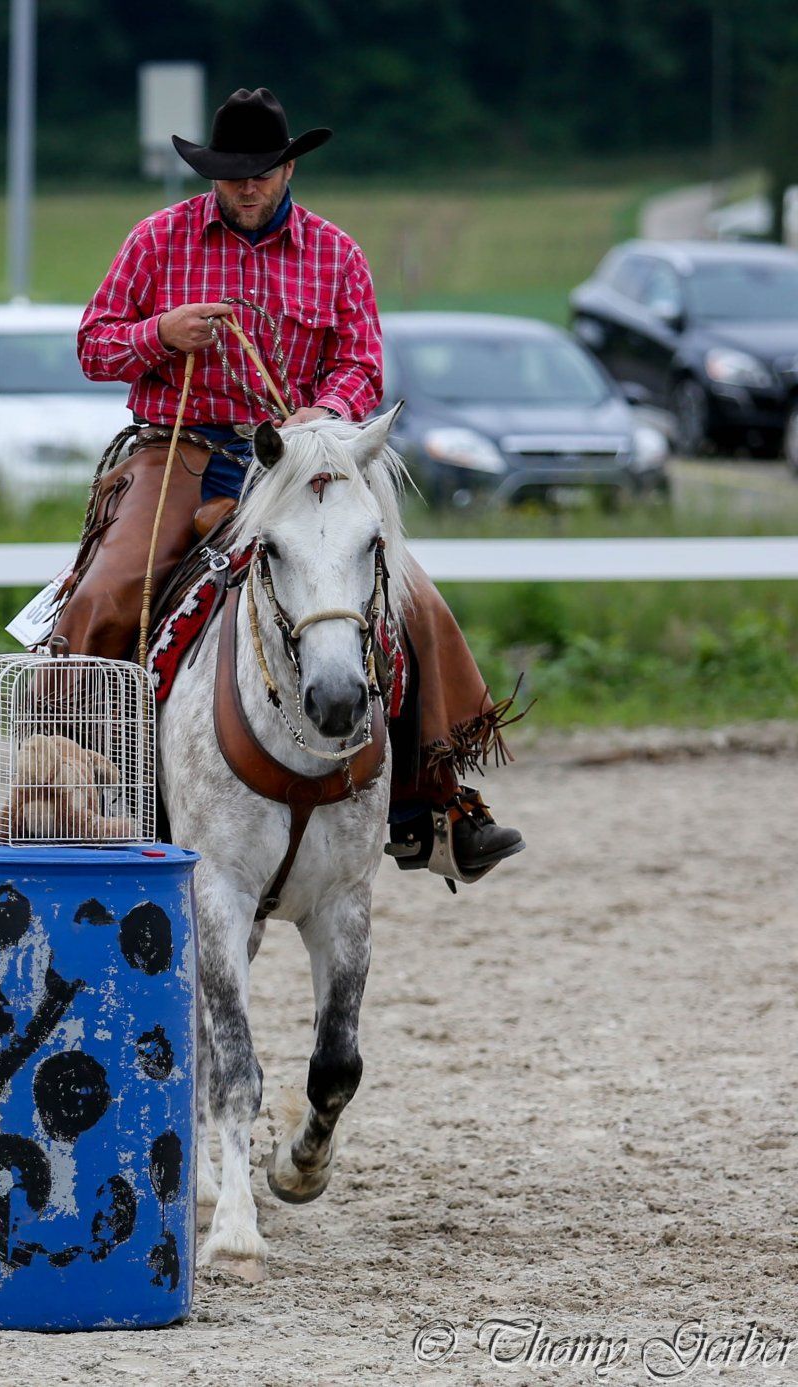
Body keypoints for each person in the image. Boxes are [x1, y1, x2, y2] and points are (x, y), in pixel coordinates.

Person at [54, 87, 526, 888]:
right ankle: (83, 796)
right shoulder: (157, 242)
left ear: (289, 166)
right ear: (211, 173)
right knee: (106, 596)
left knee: (411, 600)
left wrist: (326, 411)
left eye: (262, 172)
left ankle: (432, 805)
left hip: (305, 463)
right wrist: (159, 335)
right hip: (184, 450)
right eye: (232, 174)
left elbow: (362, 364)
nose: (246, 187)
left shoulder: (335, 251)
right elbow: (95, 347)